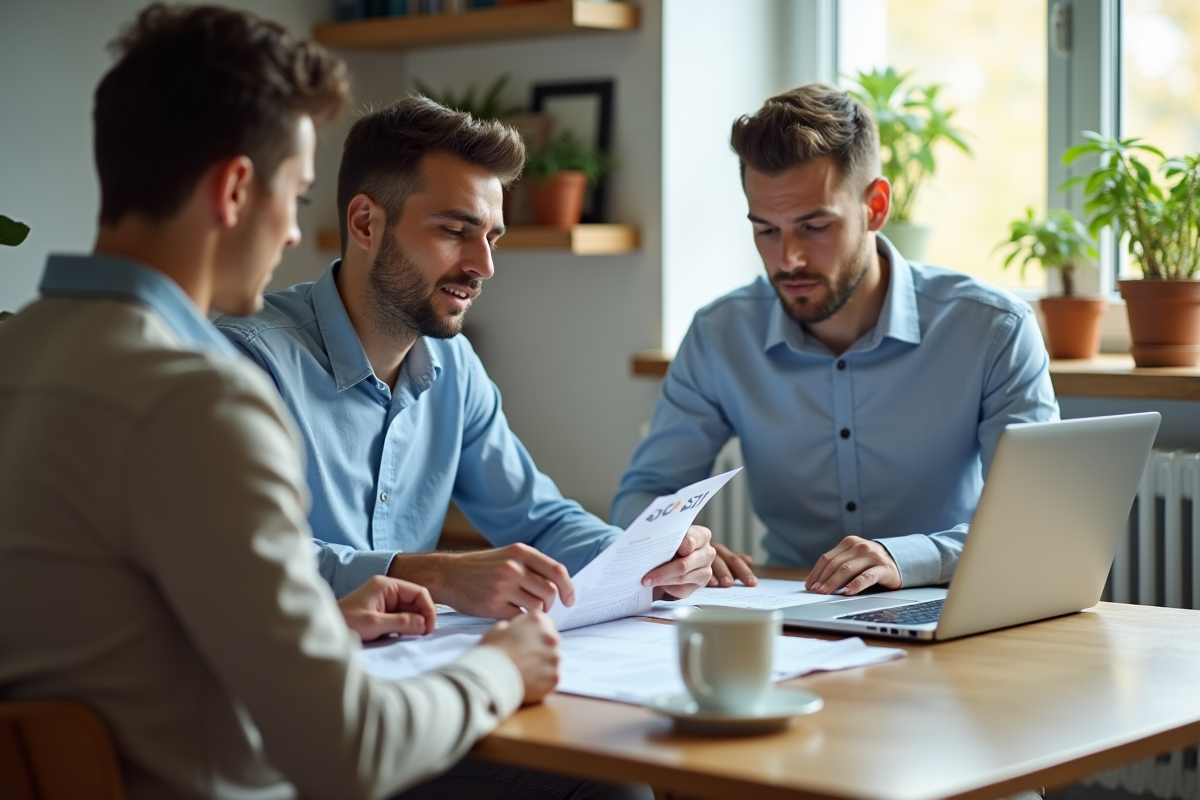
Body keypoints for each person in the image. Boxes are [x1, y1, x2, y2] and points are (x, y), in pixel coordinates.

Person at [0, 7, 643, 800]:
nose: (295, 228)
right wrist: (499, 668)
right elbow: (351, 752)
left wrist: (332, 617)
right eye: (299, 191)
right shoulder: (199, 397)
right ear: (238, 189)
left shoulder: (19, 350)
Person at [215, 97, 715, 619]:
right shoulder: (246, 363)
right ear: (365, 224)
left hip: (409, 670)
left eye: (491, 238)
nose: (484, 266)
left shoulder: (454, 366)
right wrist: (432, 573)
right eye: (455, 232)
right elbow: (241, 556)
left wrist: (651, 557)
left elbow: (538, 520)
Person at [612, 83, 1059, 597]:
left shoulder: (993, 330)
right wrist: (675, 544)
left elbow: (1034, 525)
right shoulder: (720, 334)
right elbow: (645, 495)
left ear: (876, 206)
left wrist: (906, 556)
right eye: (766, 230)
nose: (789, 259)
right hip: (787, 609)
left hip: (944, 601)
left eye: (815, 226)